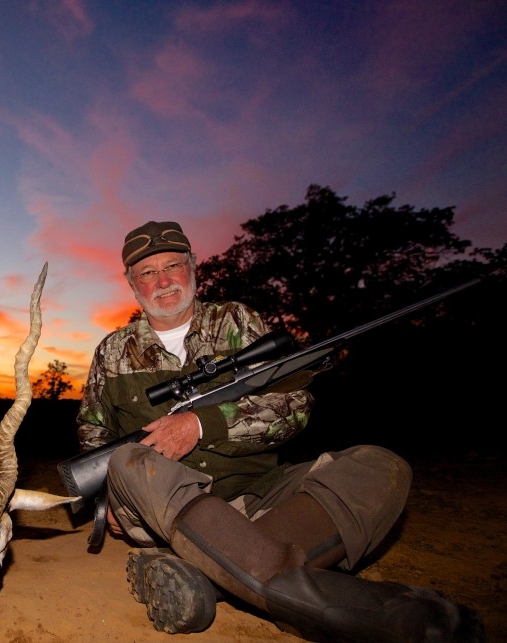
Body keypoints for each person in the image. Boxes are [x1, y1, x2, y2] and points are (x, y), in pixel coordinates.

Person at [75, 221, 484, 642]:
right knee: (128, 460)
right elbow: (93, 430)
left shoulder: (238, 320)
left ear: (193, 266)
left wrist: (202, 424)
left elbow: (295, 406)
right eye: (148, 272)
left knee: (380, 466)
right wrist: (106, 499)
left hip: (261, 497)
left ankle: (211, 576)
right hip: (159, 510)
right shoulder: (112, 351)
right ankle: (389, 619)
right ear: (132, 283)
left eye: (173, 266)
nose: (163, 281)